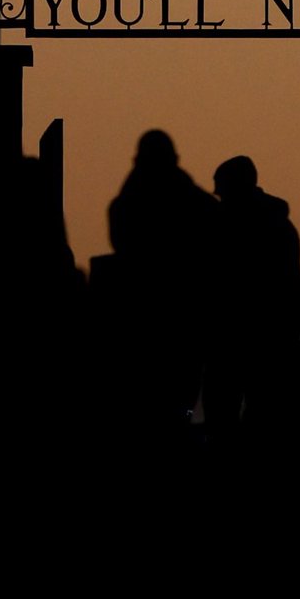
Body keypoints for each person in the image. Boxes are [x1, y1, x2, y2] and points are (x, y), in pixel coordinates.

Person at [103, 129, 217, 448]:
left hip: (155, 317)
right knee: (176, 390)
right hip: (177, 316)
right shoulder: (193, 201)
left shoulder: (129, 202)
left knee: (161, 393)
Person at [203, 155, 300, 442]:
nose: (218, 195)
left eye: (221, 188)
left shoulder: (224, 228)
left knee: (226, 417)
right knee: (262, 417)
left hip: (234, 340)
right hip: (272, 338)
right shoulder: (280, 227)